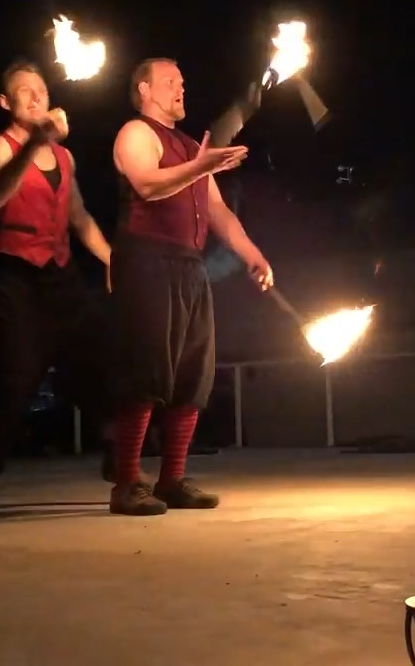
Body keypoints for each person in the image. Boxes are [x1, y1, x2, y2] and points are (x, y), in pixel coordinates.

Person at [0, 59, 113, 529]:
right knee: (16, 381)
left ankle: (117, 453)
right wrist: (33, 145)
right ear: (6, 103)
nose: (37, 97)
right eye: (25, 92)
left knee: (99, 362)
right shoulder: (0, 146)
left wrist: (110, 258)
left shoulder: (65, 157)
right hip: (15, 278)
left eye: (41, 89)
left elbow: (79, 217)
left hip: (61, 276)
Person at [106, 57, 272, 516]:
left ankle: (172, 480)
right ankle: (125, 484)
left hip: (189, 265)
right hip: (146, 259)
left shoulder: (189, 147)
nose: (181, 88)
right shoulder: (135, 133)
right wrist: (204, 166)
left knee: (192, 373)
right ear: (144, 89)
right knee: (147, 370)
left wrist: (251, 253)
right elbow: (146, 185)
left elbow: (217, 212)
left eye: (182, 80)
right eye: (170, 81)